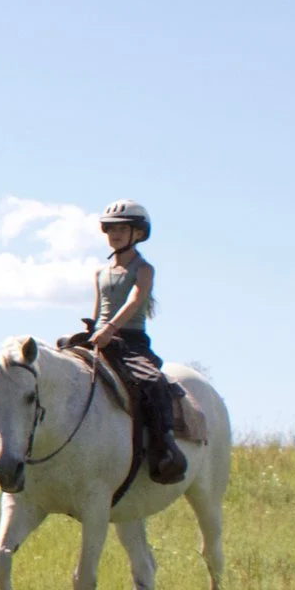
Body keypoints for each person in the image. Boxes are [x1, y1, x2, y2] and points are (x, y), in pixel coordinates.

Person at [82, 199, 187, 485]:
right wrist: (91, 333)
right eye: (111, 229)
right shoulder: (100, 273)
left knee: (152, 382)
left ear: (138, 233)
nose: (115, 234)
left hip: (130, 340)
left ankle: (164, 447)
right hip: (100, 338)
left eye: (123, 229)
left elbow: (135, 299)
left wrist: (111, 328)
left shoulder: (144, 269)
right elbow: (98, 308)